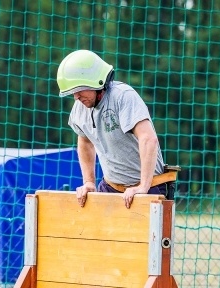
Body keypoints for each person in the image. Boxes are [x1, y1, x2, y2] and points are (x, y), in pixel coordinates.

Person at [56, 49, 175, 209]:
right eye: (72, 93)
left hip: (148, 187)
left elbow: (148, 139)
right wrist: (89, 182)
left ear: (95, 81)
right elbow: (84, 141)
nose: (76, 97)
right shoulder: (80, 107)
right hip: (110, 187)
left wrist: (143, 187)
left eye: (78, 90)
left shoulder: (123, 96)